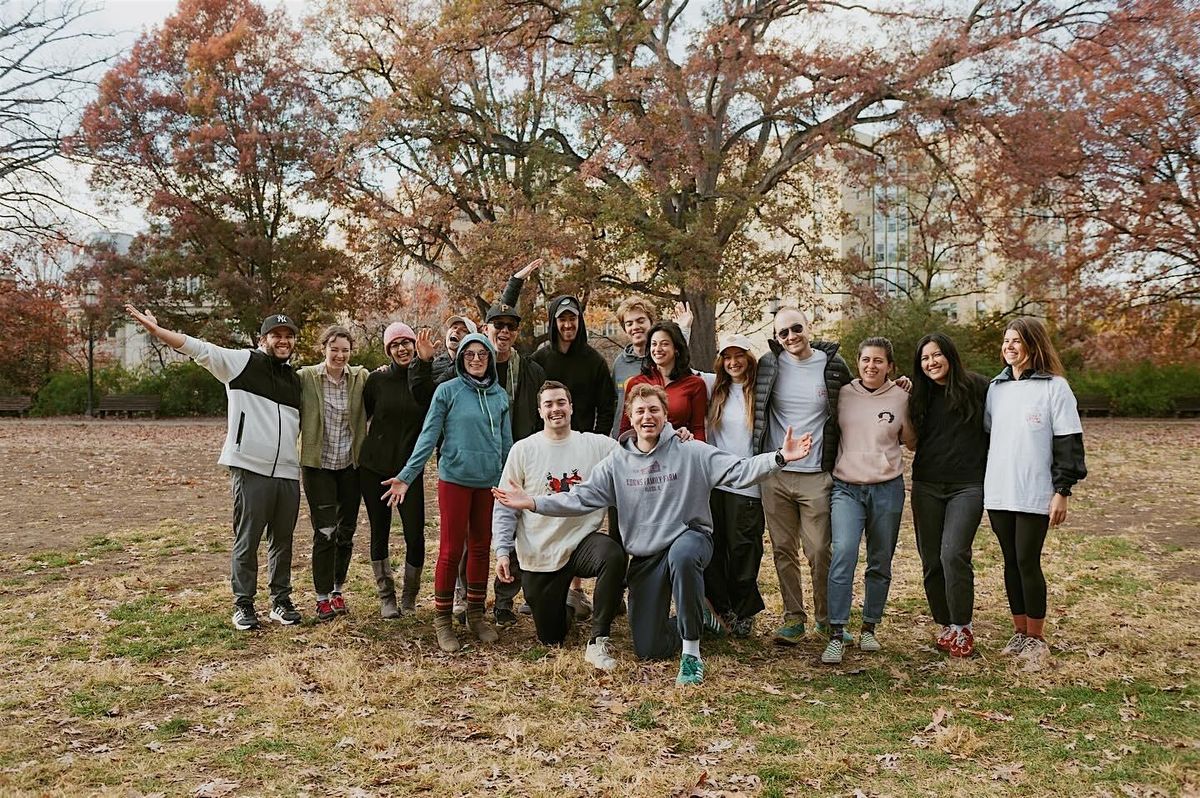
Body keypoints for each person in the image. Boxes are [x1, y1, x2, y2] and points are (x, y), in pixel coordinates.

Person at [494, 383, 813, 686]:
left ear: (666, 415)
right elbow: (578, 497)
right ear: (630, 419)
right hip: (647, 556)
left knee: (683, 553)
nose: (647, 416)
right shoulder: (616, 462)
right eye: (640, 411)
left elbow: (739, 470)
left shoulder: (692, 452)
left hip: (689, 539)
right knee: (649, 648)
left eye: (654, 410)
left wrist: (780, 457)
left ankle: (691, 652)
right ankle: (700, 618)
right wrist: (533, 502)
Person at [125, 304, 303, 630]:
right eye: (276, 335)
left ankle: (280, 601)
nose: (283, 341)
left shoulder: (295, 380)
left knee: (283, 541)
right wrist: (157, 331)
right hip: (251, 469)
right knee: (247, 541)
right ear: (263, 339)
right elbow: (198, 348)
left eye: (288, 336)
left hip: (288, 474)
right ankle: (244, 605)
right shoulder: (241, 363)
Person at [383, 334, 512, 652]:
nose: (477, 359)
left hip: (488, 483)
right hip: (455, 480)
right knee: (452, 549)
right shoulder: (447, 391)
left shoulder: (499, 396)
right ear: (460, 358)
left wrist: (510, 480)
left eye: (483, 353)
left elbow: (508, 444)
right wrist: (406, 476)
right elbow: (428, 437)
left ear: (490, 358)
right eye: (470, 353)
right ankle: (442, 621)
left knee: (481, 548)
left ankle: (476, 614)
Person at [491, 381, 626, 669]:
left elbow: (636, 449)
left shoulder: (597, 445)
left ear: (571, 406)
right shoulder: (523, 450)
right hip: (541, 554)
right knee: (552, 638)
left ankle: (598, 638)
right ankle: (570, 604)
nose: (556, 409)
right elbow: (505, 505)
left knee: (612, 555)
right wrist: (503, 550)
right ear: (540, 411)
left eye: (561, 402)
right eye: (549, 404)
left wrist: (671, 436)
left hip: (582, 542)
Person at [984, 317, 1086, 663]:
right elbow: (988, 437)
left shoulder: (1055, 388)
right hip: (999, 490)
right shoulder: (996, 389)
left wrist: (1063, 490)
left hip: (1035, 492)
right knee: (1010, 561)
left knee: (1028, 560)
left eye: (1017, 341)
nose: (1009, 346)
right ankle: (1019, 632)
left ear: (1033, 345)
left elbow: (1068, 443)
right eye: (1006, 340)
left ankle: (1037, 638)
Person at [753, 307, 852, 645]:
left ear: (809, 327)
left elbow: (859, 396)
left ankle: (826, 619)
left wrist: (896, 385)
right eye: (783, 333)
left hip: (816, 475)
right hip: (776, 472)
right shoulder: (768, 365)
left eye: (796, 328)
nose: (791, 336)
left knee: (819, 550)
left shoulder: (833, 365)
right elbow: (729, 378)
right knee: (782, 548)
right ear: (776, 338)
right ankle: (793, 618)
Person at [821, 337, 916, 664]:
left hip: (886, 487)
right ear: (858, 362)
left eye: (878, 361)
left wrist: (911, 404)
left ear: (890, 366)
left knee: (880, 560)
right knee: (844, 552)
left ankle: (870, 628)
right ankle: (836, 632)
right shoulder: (844, 393)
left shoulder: (902, 395)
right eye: (865, 360)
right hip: (846, 487)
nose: (871, 366)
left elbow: (912, 442)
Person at [908, 332, 990, 658]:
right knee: (931, 559)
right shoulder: (918, 395)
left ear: (950, 355)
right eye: (925, 358)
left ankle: (963, 626)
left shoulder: (980, 388)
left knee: (953, 553)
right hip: (927, 485)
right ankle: (945, 625)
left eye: (936, 355)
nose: (931, 362)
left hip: (967, 485)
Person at [359, 322, 436, 618]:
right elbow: (361, 416)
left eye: (407, 342)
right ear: (388, 350)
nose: (402, 348)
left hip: (409, 471)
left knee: (414, 534)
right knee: (379, 531)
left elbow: (432, 408)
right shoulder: (377, 380)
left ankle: (409, 597)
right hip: (374, 468)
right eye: (395, 345)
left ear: (415, 345)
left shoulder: (425, 379)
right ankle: (386, 596)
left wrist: (425, 363)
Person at [297, 325, 370, 621]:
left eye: (345, 350)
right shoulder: (305, 378)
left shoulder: (361, 378)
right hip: (319, 466)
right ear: (323, 349)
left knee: (346, 532)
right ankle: (321, 596)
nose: (339, 355)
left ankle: (338, 590)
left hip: (351, 467)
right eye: (334, 349)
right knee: (325, 532)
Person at [483, 299, 548, 626]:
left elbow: (541, 416)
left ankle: (506, 601)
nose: (504, 331)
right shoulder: (476, 365)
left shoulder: (532, 370)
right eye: (499, 325)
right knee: (484, 532)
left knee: (521, 531)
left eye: (511, 327)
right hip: (484, 461)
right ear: (486, 328)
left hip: (522, 459)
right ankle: (472, 598)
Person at [703, 334, 766, 637]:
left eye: (738, 355)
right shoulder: (715, 390)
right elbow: (682, 368)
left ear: (748, 357)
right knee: (716, 549)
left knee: (744, 549)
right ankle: (722, 608)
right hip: (717, 482)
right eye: (727, 357)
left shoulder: (761, 390)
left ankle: (745, 611)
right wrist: (685, 329)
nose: (733, 362)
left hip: (749, 483)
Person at [530, 294, 616, 436]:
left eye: (572, 319)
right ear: (553, 322)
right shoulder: (538, 361)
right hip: (547, 443)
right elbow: (530, 408)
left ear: (580, 320)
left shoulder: (595, 361)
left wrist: (597, 440)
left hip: (583, 443)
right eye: (562, 320)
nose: (568, 325)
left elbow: (606, 409)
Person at [620, 321, 708, 441]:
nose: (658, 349)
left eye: (664, 344)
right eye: (654, 344)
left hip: (680, 451)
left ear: (676, 349)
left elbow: (698, 428)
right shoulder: (636, 383)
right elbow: (625, 428)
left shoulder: (695, 384)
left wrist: (699, 455)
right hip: (645, 453)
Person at [432, 314, 478, 384]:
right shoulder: (435, 363)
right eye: (454, 327)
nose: (456, 331)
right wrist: (423, 360)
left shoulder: (476, 365)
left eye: (464, 330)